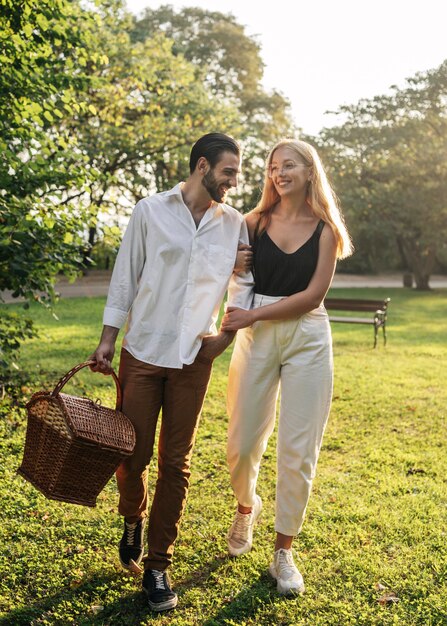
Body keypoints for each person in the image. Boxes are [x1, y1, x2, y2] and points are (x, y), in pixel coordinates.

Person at [90, 133, 253, 612]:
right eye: (229, 172)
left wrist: (223, 338)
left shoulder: (234, 224)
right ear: (202, 167)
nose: (234, 181)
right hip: (142, 352)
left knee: (175, 465)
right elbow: (126, 274)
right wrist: (107, 338)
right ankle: (131, 518)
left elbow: (243, 285)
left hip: (192, 358)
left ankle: (158, 566)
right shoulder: (150, 210)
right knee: (132, 457)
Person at [221, 139, 352, 596]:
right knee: (240, 443)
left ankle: (284, 553)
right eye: (273, 166)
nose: (279, 173)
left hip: (308, 335)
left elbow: (313, 297)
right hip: (257, 340)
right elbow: (228, 272)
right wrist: (229, 263)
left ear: (309, 170)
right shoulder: (252, 222)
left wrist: (253, 315)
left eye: (289, 165)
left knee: (299, 450)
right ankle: (246, 506)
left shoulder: (326, 230)